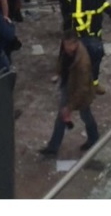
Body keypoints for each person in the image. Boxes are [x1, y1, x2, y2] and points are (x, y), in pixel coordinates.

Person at [39, 29, 98, 158]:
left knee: (85, 115)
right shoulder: (68, 49)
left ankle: (94, 139)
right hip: (69, 85)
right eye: (64, 44)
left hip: (79, 91)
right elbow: (62, 60)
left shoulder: (83, 63)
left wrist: (70, 107)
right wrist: (58, 73)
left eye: (68, 45)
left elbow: (82, 89)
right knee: (65, 117)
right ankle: (53, 147)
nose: (65, 47)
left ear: (75, 43)